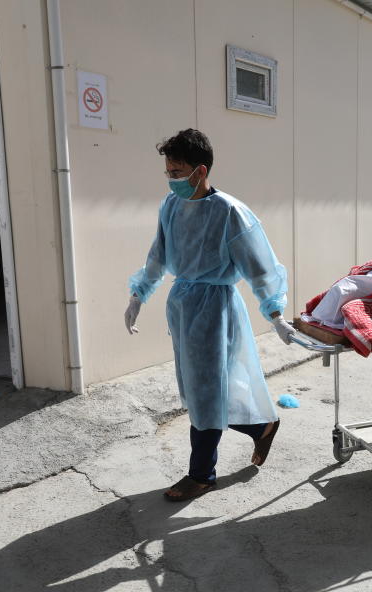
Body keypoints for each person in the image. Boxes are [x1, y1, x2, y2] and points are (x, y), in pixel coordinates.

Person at [124, 128, 297, 500]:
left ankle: (202, 474)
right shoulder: (171, 206)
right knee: (199, 389)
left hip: (215, 309)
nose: (172, 180)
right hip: (184, 306)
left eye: (178, 172)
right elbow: (159, 254)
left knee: (205, 393)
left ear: (200, 171)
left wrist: (276, 314)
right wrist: (139, 295)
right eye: (168, 172)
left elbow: (261, 267)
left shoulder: (230, 213)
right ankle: (262, 426)